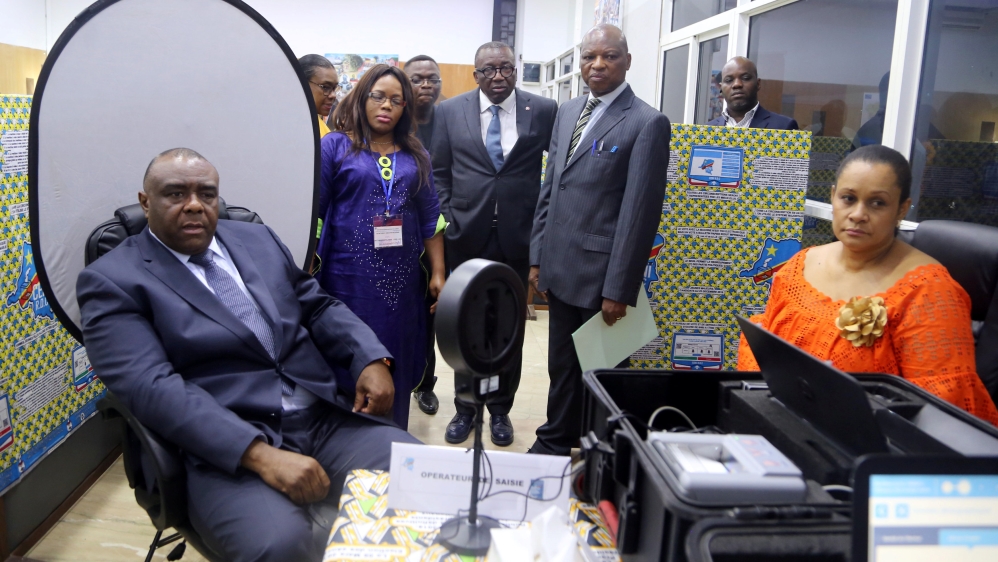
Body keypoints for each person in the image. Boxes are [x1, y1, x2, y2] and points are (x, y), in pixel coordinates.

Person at [77, 148, 421, 561]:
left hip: (322, 420)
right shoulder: (112, 280)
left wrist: (370, 357)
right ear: (145, 201)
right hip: (225, 446)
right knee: (278, 546)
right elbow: (151, 387)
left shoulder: (255, 238)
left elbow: (316, 305)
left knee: (427, 483)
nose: (194, 205)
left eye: (207, 194)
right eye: (175, 194)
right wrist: (258, 455)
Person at [737, 145, 998, 425]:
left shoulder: (929, 291)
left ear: (902, 209)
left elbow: (941, 411)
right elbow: (762, 350)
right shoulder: (800, 265)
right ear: (833, 197)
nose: (858, 214)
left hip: (870, 449)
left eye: (877, 203)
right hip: (785, 423)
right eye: (848, 198)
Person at [528, 25, 671, 455]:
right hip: (560, 265)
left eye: (609, 56)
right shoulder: (568, 110)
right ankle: (557, 439)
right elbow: (551, 188)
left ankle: (599, 454)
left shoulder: (647, 122)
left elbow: (639, 213)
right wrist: (537, 258)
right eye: (589, 57)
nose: (597, 65)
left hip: (602, 275)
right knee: (562, 366)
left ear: (628, 61)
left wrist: (619, 289)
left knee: (601, 372)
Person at [433, 41, 559, 447]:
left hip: (517, 237)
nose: (498, 76)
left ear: (516, 70)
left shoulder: (542, 110)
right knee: (465, 323)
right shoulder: (449, 112)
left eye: (505, 68)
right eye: (489, 70)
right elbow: (439, 173)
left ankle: (501, 409)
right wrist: (450, 217)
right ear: (476, 75)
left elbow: (553, 173)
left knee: (508, 327)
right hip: (464, 236)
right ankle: (465, 407)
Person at [320, 64, 445, 430]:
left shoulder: (415, 153)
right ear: (362, 98)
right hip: (346, 281)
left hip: (401, 287)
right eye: (378, 96)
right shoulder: (336, 145)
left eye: (396, 100)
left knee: (396, 362)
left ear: (406, 108)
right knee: (348, 363)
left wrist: (438, 271)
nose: (386, 106)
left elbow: (431, 218)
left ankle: (390, 447)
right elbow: (316, 211)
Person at [403, 55, 445, 416]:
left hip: (439, 233)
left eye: (433, 79)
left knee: (433, 313)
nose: (426, 85)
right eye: (418, 79)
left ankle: (425, 384)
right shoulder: (393, 123)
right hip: (397, 234)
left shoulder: (451, 119)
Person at [706, 56, 798, 130]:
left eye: (745, 78)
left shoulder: (784, 127)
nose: (737, 84)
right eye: (729, 80)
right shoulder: (707, 131)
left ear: (758, 84)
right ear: (721, 88)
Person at [299, 54, 339, 137]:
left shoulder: (319, 127)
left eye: (334, 89)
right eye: (326, 87)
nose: (333, 95)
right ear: (302, 84)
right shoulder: (289, 126)